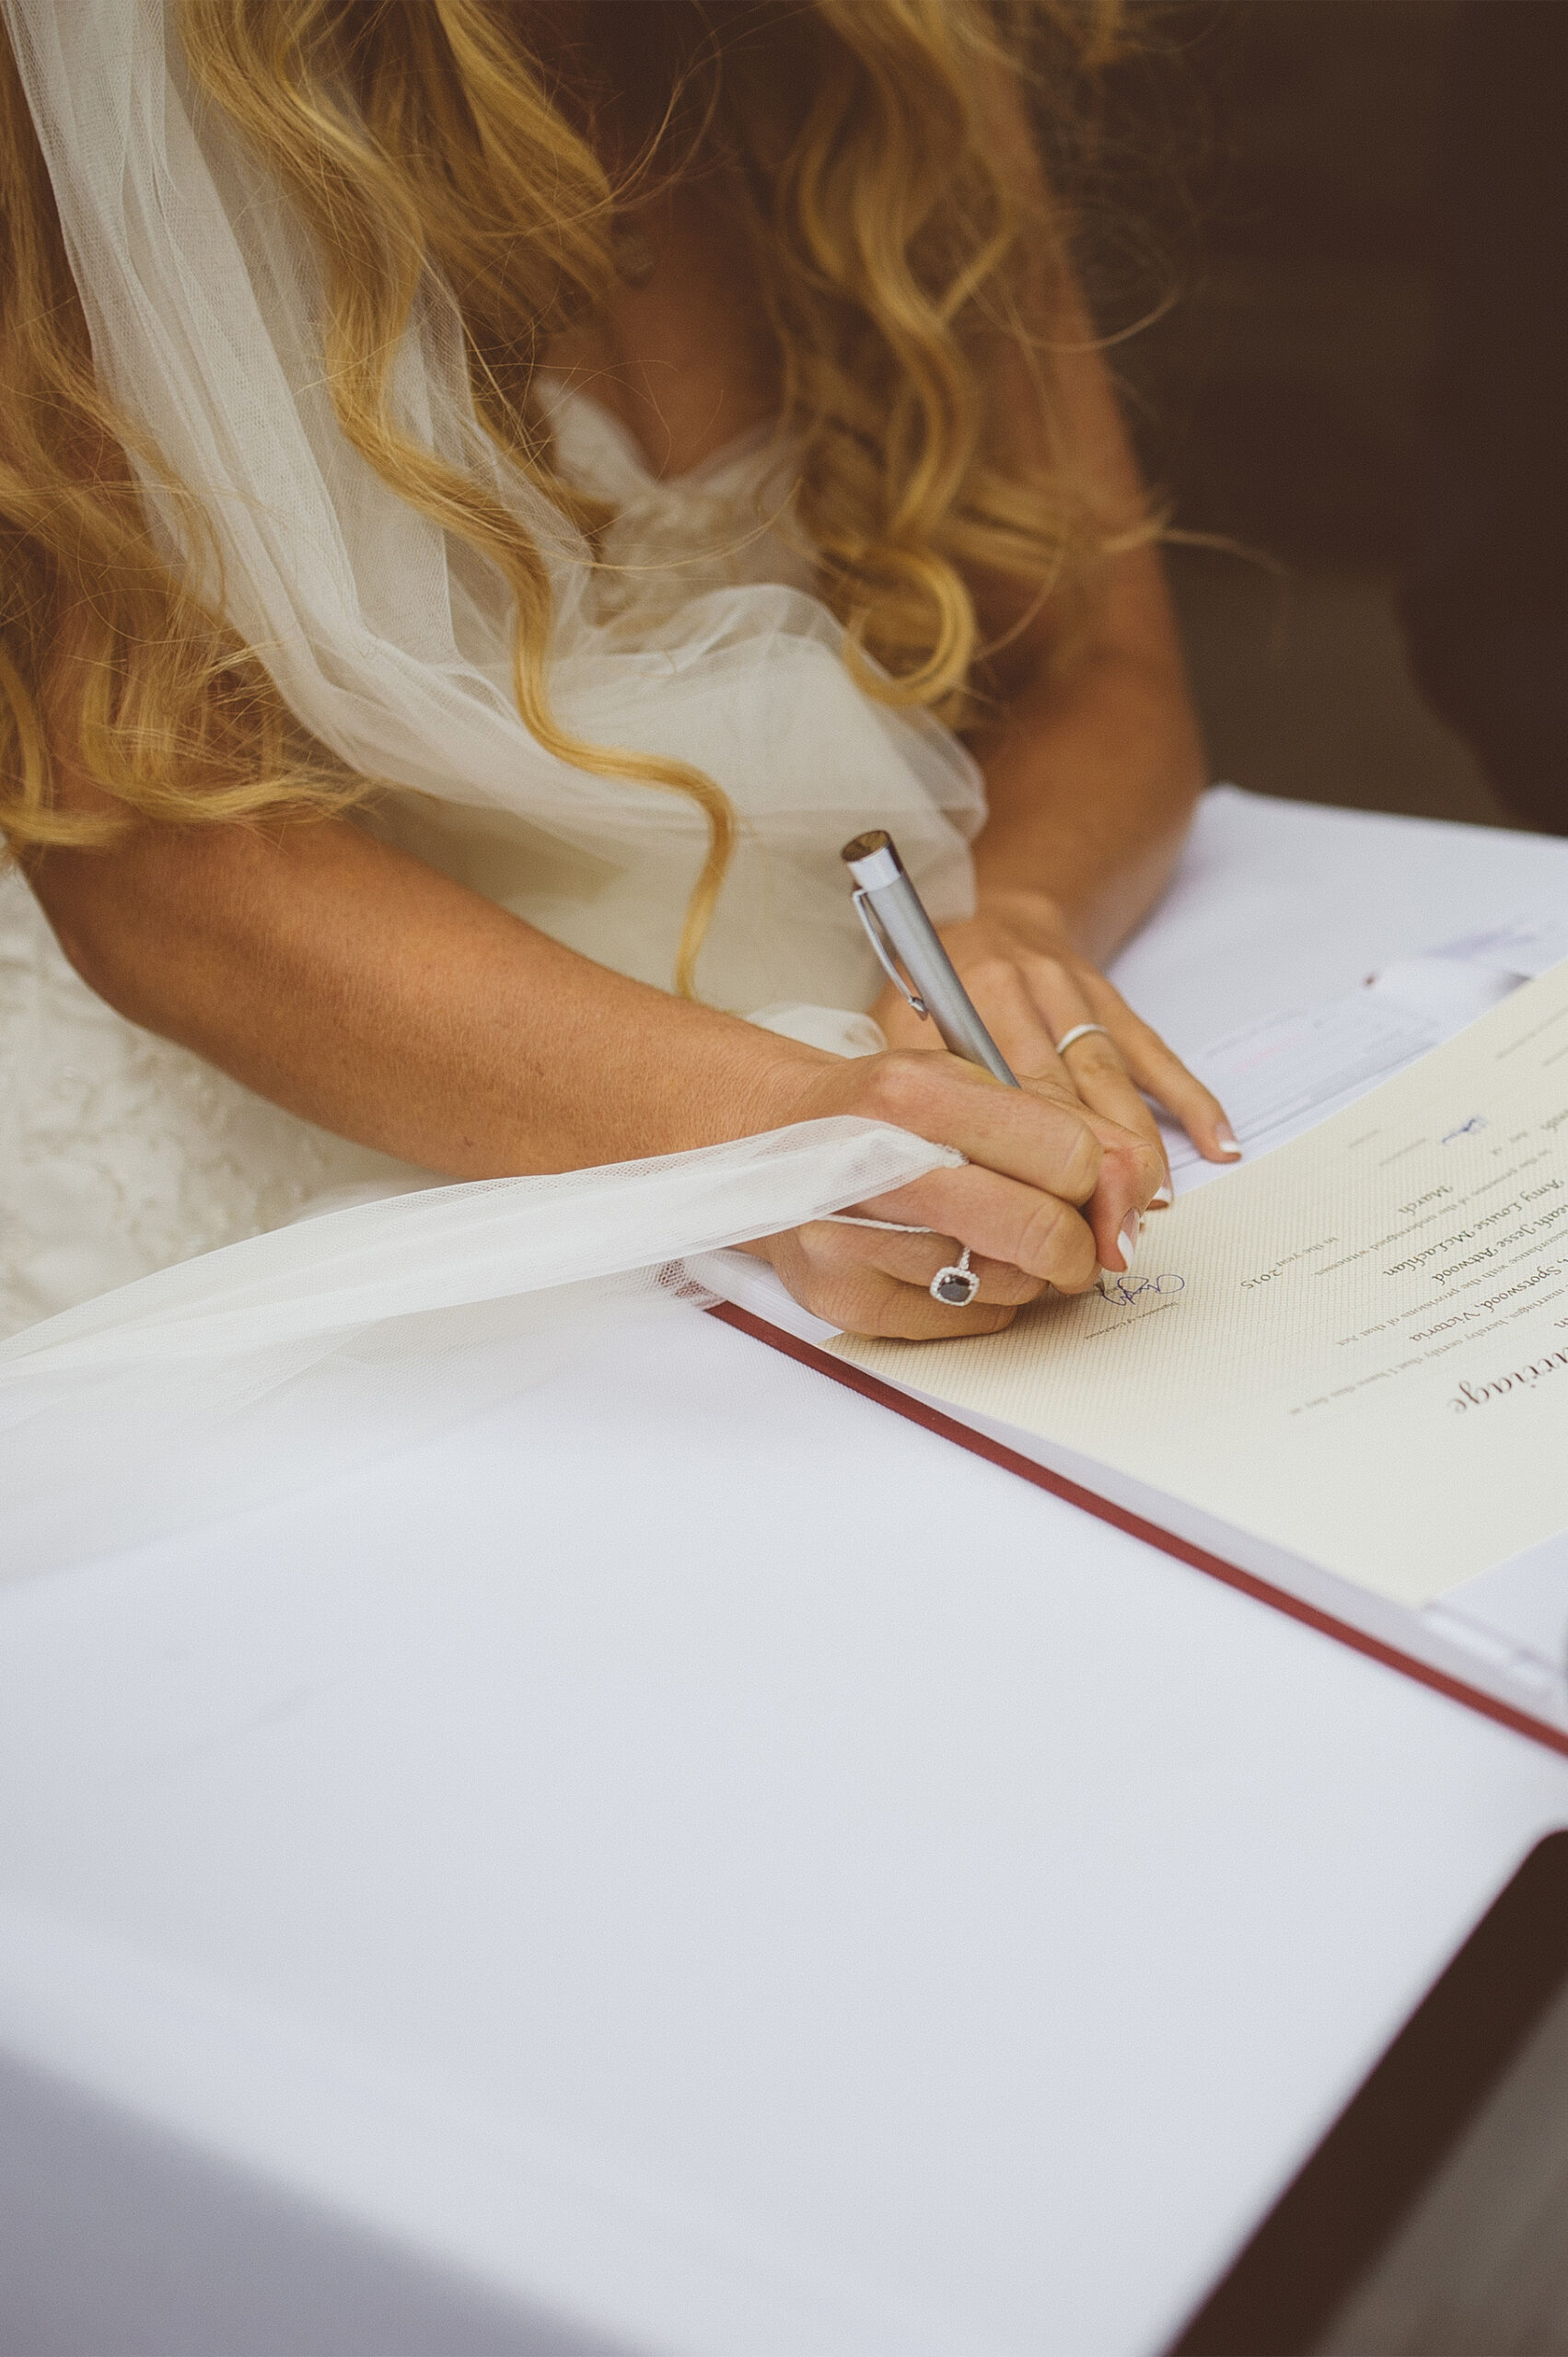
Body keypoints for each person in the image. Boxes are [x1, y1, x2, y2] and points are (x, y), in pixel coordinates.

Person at [0, 0, 1235, 1349]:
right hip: (314, 1144)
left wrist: (1009, 918)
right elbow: (144, 846)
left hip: (853, 1073)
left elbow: (1106, 657)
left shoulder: (895, 46)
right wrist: (767, 1137)